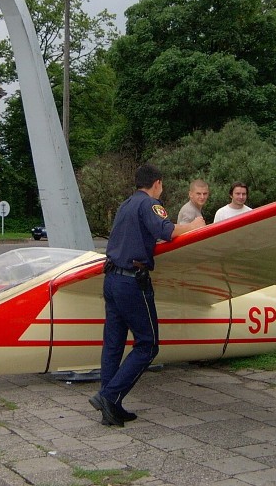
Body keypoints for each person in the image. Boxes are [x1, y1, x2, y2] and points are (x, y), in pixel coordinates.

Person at [90, 164, 205, 427]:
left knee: (114, 343)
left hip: (112, 279)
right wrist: (195, 225)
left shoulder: (125, 205)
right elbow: (169, 231)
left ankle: (110, 405)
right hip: (132, 281)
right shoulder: (150, 205)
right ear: (157, 184)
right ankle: (109, 396)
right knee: (148, 343)